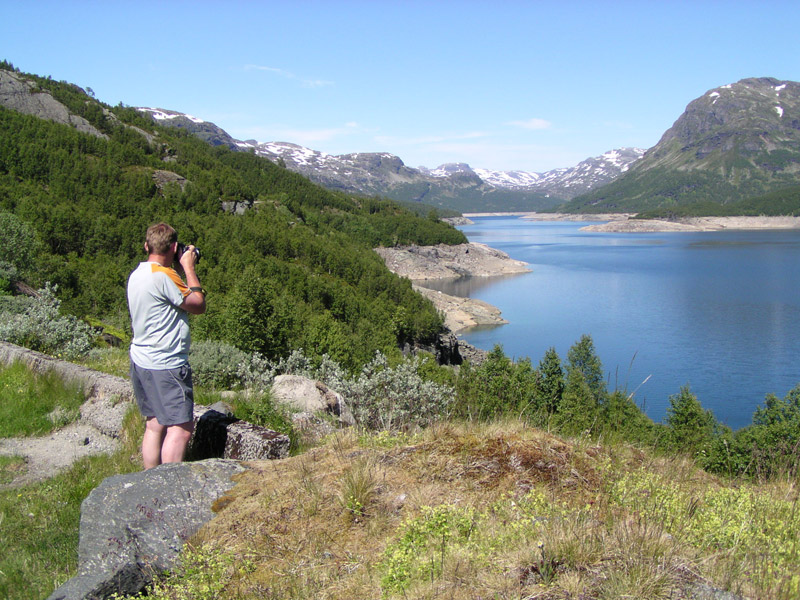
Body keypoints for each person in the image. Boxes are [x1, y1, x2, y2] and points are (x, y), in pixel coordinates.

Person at [126, 222, 206, 469]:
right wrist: (188, 267)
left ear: (146, 245)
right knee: (180, 429)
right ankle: (169, 486)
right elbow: (198, 304)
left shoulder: (138, 274)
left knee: (154, 423)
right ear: (173, 247)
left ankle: (151, 480)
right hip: (166, 363)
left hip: (141, 359)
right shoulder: (165, 275)